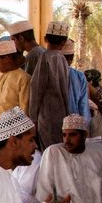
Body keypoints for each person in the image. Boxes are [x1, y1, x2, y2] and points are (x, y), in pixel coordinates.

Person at [29, 21, 71, 149]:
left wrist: (33, 119)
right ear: (64, 42)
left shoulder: (45, 58)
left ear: (45, 39)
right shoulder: (62, 59)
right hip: (62, 115)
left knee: (49, 152)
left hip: (46, 116)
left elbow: (36, 90)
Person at [0, 39, 31, 130]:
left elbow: (24, 110)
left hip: (12, 136)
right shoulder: (0, 79)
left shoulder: (23, 78)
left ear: (7, 59)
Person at [63, 40, 91, 126]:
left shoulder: (50, 73)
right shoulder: (79, 76)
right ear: (71, 59)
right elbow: (83, 107)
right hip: (74, 126)